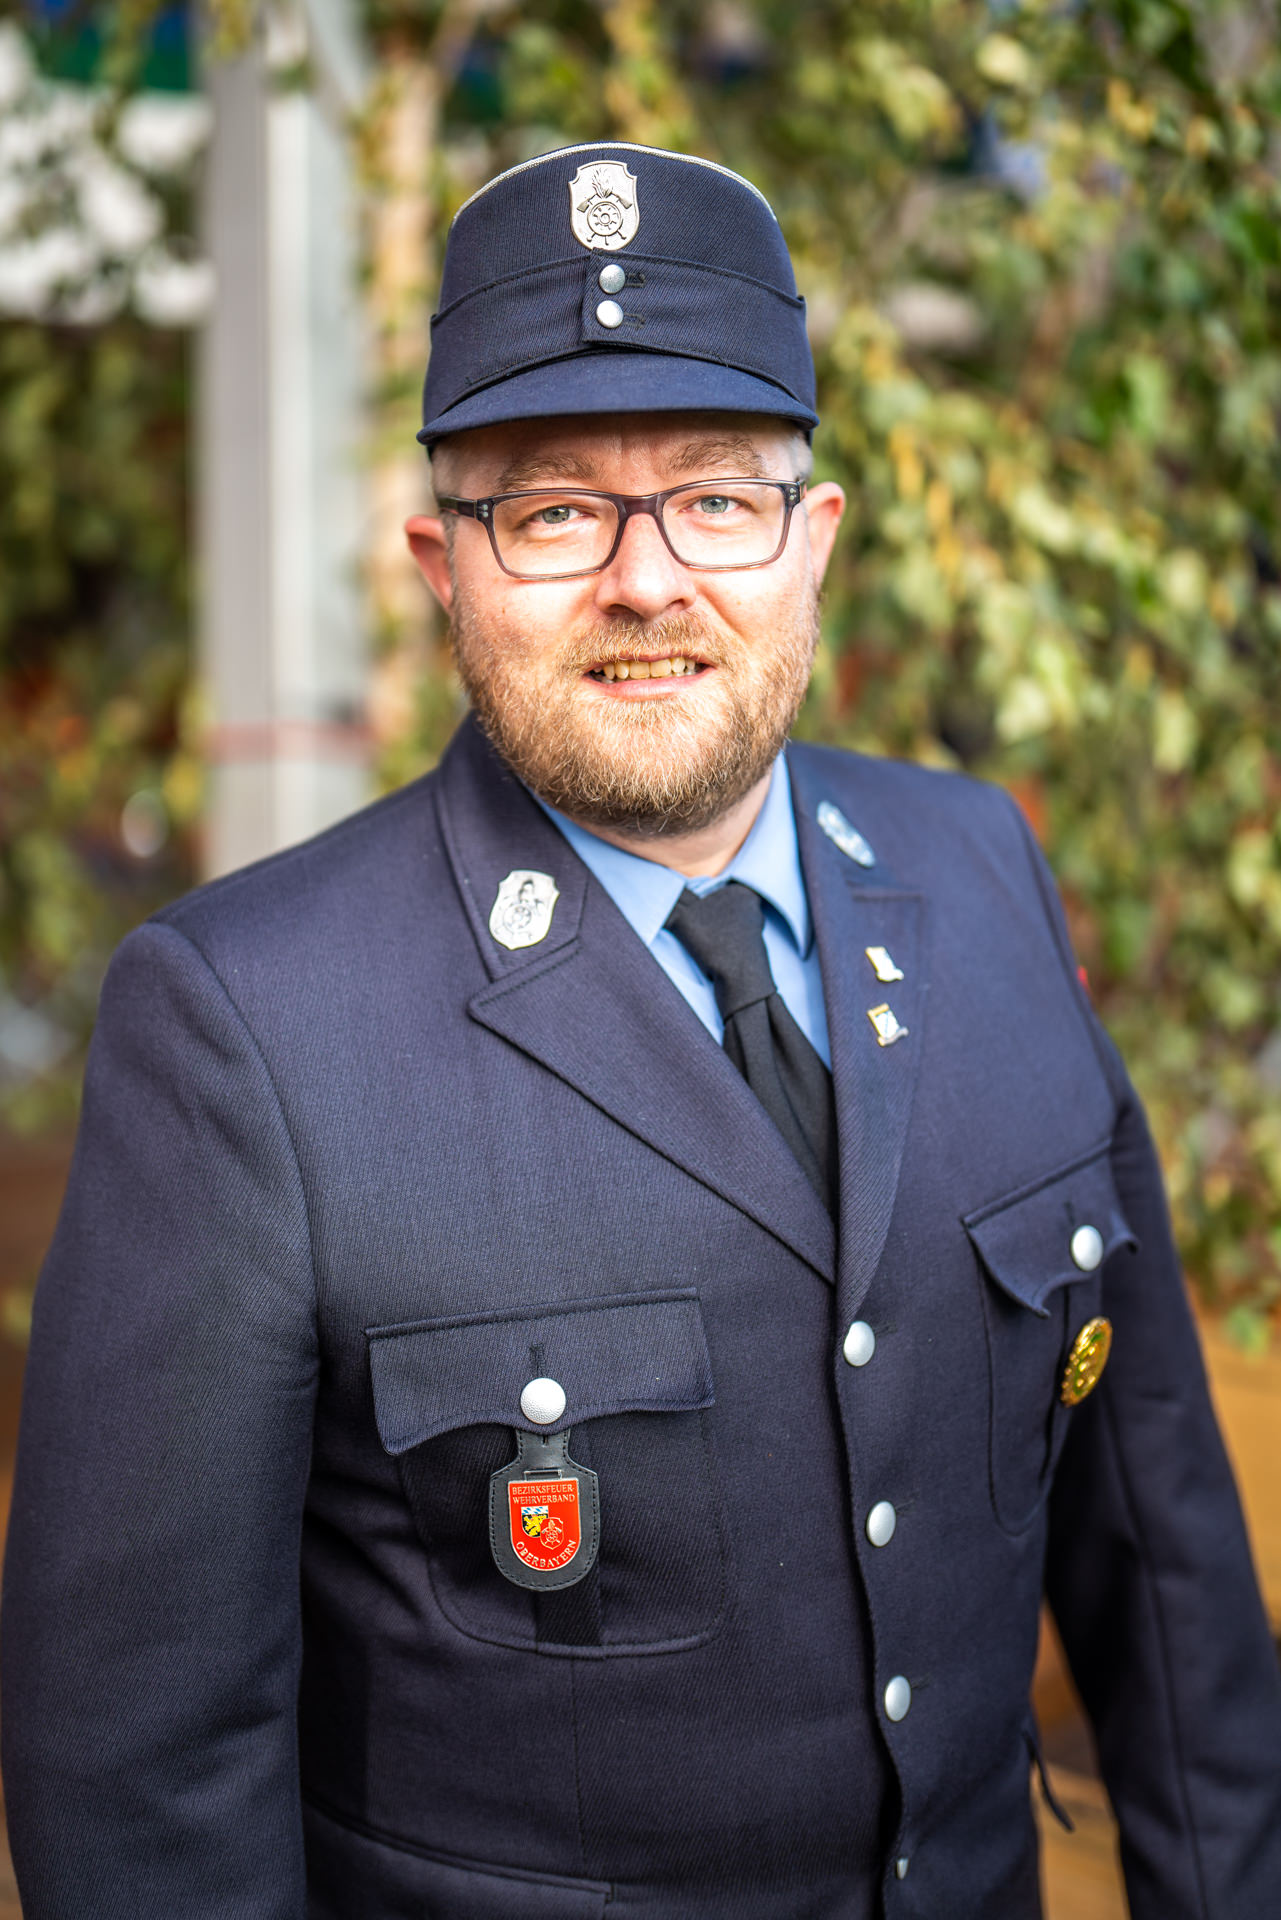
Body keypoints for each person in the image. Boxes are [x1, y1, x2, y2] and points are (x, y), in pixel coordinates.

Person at [4, 142, 1280, 1920]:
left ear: (810, 541)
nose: (646, 580)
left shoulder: (978, 866)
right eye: (550, 512)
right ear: (440, 564)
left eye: (715, 497)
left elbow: (1159, 1557)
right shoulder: (244, 1023)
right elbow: (143, 1776)